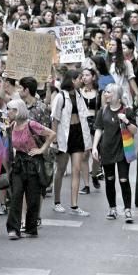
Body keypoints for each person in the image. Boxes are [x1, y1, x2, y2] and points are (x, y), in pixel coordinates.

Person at [5, 98, 55, 239]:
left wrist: (41, 149)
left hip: (33, 162)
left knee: (33, 198)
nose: (9, 112)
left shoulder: (31, 124)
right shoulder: (11, 126)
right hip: (19, 163)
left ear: (19, 111)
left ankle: (31, 228)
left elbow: (51, 134)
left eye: (12, 109)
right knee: (16, 196)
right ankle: (13, 229)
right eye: (8, 109)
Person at [92, 84, 138, 223]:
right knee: (109, 180)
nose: (105, 94)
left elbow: (134, 131)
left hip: (123, 150)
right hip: (107, 150)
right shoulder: (103, 110)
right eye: (105, 91)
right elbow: (99, 129)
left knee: (124, 180)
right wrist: (94, 147)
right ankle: (112, 209)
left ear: (117, 96)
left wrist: (125, 120)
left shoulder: (127, 110)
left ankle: (127, 210)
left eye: (109, 92)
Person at [51, 71, 92, 216]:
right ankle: (57, 201)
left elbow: (84, 116)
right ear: (73, 80)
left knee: (76, 169)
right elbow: (55, 119)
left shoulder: (79, 94)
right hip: (63, 135)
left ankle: (74, 205)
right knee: (61, 169)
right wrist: (54, 139)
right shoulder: (60, 96)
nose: (82, 80)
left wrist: (88, 141)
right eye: (80, 78)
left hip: (77, 133)